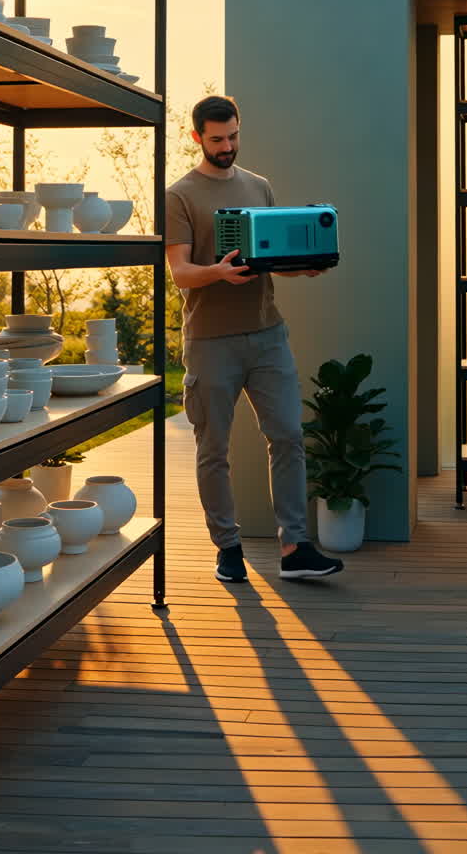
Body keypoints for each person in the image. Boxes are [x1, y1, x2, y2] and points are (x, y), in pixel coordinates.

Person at [165, 94, 344, 584]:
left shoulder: (259, 186)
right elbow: (180, 272)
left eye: (233, 136)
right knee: (213, 450)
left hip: (268, 334)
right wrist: (218, 273)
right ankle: (228, 547)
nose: (227, 146)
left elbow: (266, 258)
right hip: (210, 341)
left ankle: (295, 547)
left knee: (287, 436)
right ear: (197, 137)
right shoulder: (179, 196)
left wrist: (301, 267)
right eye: (217, 139)